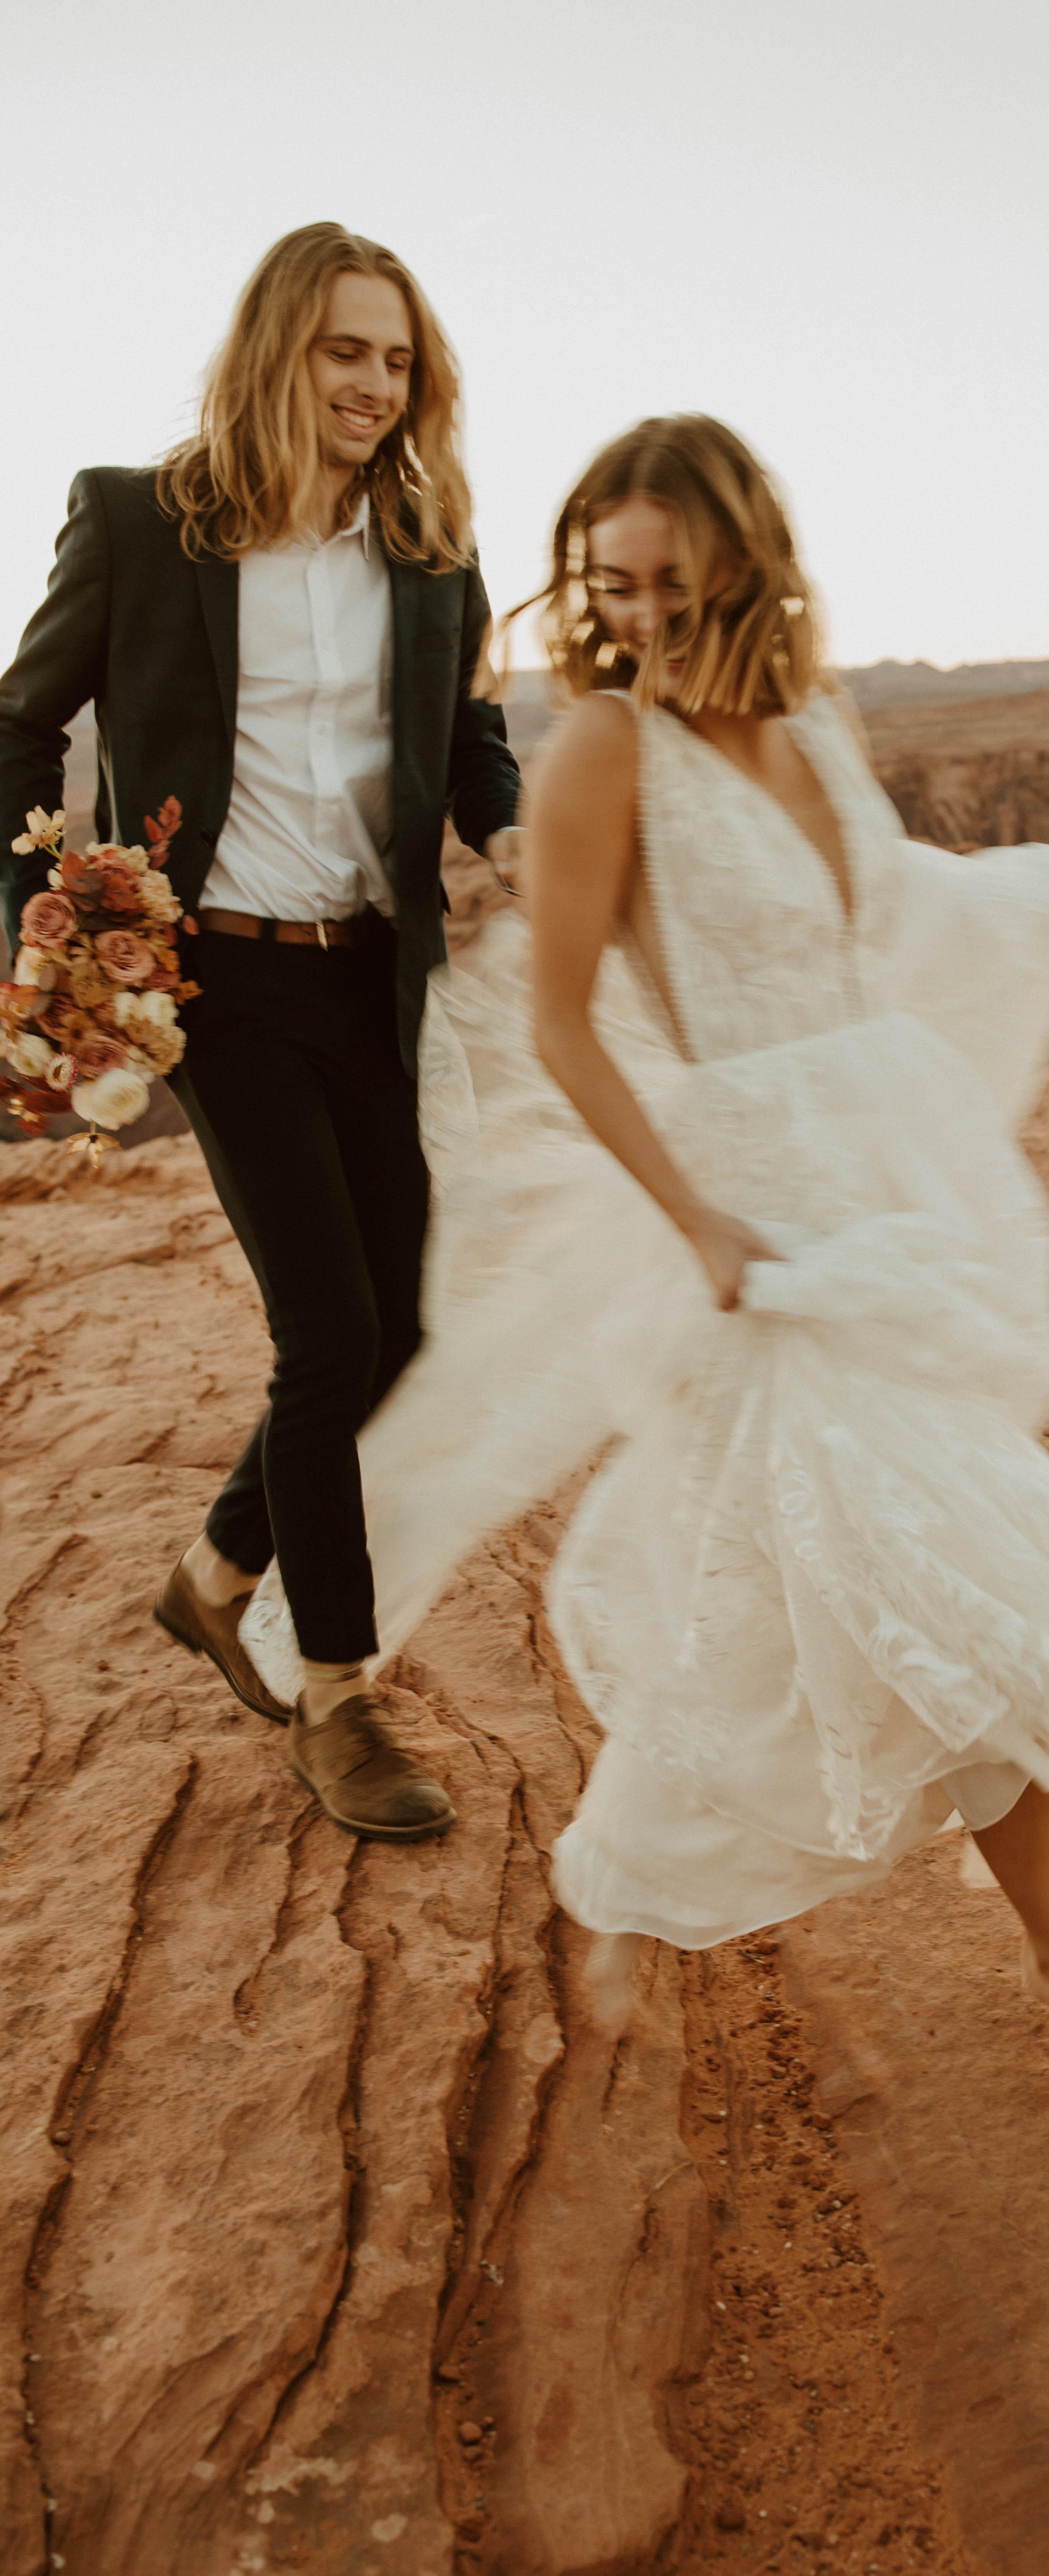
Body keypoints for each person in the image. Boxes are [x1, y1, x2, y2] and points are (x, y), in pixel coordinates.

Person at [243, 414, 1049, 2096]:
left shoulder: (816, 717)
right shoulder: (602, 753)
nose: (639, 616)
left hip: (889, 1187)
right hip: (753, 1221)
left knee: (853, 1583)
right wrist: (695, 1218)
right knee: (947, 1566)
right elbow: (561, 1024)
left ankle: (631, 1893)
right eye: (611, 585)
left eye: (673, 584)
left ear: (747, 561)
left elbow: (869, 941)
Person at [0, 223, 523, 1838]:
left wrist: (511, 831)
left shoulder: (430, 550)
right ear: (277, 351)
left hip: (376, 979)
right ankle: (338, 1697)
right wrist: (45, 915)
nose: (374, 385)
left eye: (398, 360)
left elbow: (473, 737)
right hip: (219, 987)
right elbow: (19, 721)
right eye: (344, 350)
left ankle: (218, 1573)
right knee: (332, 1334)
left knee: (410, 1331)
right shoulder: (137, 522)